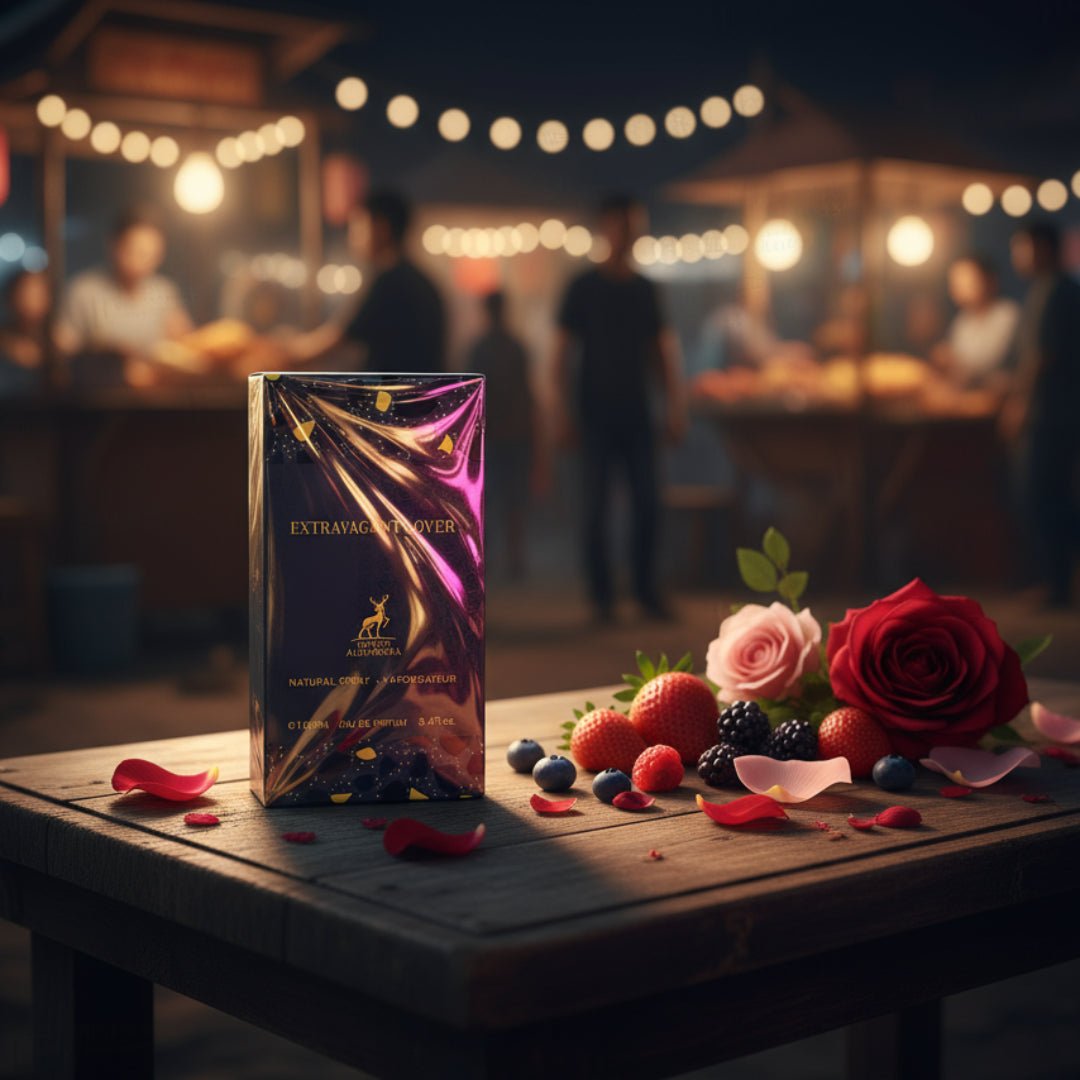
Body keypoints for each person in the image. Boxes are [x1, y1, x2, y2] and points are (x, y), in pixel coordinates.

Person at [551, 194, 687, 622]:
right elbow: (560, 354)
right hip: (593, 414)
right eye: (624, 223)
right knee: (594, 509)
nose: (630, 233)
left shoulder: (645, 289)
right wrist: (562, 411)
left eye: (635, 224)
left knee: (648, 503)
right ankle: (602, 597)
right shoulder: (582, 287)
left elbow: (661, 351)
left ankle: (646, 590)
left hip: (638, 413)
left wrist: (673, 405)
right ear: (607, 226)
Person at [1003, 222, 1080, 607]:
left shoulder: (1059, 292)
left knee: (1043, 496)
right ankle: (1056, 584)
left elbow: (1041, 358)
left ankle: (1057, 586)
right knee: (1049, 496)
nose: (1018, 256)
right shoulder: (1047, 290)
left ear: (1043, 248)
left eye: (1023, 247)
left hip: (1051, 416)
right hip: (1052, 414)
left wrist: (1020, 403)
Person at [286, 189, 445, 372]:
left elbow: (334, 341)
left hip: (399, 396)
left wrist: (282, 354)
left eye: (358, 225)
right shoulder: (415, 278)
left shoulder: (391, 281)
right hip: (420, 394)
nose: (351, 236)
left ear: (381, 228)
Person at [58, 206, 191, 369]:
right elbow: (65, 346)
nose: (141, 261)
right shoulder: (84, 290)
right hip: (100, 389)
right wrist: (106, 355)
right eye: (134, 251)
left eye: (150, 254)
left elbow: (184, 340)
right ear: (113, 245)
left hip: (154, 388)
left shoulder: (162, 290)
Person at [467, 291, 540, 578]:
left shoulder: (479, 348)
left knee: (489, 498)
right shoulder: (516, 347)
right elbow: (526, 392)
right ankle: (514, 558)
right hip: (516, 432)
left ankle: (490, 558)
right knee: (514, 499)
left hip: (491, 433)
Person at [931, 256, 1019, 388]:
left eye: (966, 279)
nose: (958, 286)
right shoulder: (962, 321)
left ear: (989, 280)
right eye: (955, 280)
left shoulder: (1007, 316)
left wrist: (955, 363)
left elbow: (991, 364)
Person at [0, 270, 51, 395]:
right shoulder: (4, 338)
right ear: (12, 296)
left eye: (38, 294)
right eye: (26, 293)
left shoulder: (54, 339)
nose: (31, 300)